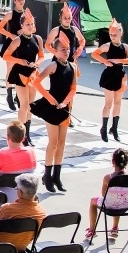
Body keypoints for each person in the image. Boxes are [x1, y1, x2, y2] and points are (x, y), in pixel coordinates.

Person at [31, 32, 77, 193]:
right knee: (54, 142)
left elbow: (73, 88)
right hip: (51, 108)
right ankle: (47, 175)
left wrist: (65, 102)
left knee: (62, 143)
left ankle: (57, 176)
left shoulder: (73, 67)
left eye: (68, 49)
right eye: (63, 49)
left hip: (64, 108)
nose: (66, 51)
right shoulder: (53, 66)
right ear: (55, 51)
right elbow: (36, 82)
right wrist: (50, 98)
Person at [2, 8, 44, 146]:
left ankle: (28, 135)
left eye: (32, 24)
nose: (30, 26)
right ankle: (20, 135)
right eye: (27, 24)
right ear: (22, 26)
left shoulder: (37, 39)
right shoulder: (17, 40)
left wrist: (37, 63)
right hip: (20, 74)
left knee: (30, 106)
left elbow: (42, 56)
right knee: (24, 105)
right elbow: (6, 56)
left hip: (32, 74)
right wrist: (21, 61)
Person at [91, 19, 128, 142]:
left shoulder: (125, 47)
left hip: (120, 76)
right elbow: (94, 54)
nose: (112, 37)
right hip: (109, 76)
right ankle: (104, 128)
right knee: (108, 103)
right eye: (111, 34)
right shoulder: (107, 46)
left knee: (118, 103)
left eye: (115, 34)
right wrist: (105, 61)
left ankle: (114, 128)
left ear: (120, 33)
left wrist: (120, 61)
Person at [85, 149, 128, 240]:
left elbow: (103, 194)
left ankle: (92, 229)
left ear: (113, 162)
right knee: (118, 199)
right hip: (125, 205)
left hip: (110, 205)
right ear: (126, 162)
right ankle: (115, 228)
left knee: (93, 201)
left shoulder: (108, 177)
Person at [0, 120, 37, 201]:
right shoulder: (31, 152)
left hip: (4, 200)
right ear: (24, 138)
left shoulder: (2, 154)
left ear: (7, 137)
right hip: (27, 198)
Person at [0, 0, 26, 111]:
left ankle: (18, 96)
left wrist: (24, 30)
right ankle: (9, 94)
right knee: (10, 69)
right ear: (14, 1)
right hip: (11, 44)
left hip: (23, 44)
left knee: (22, 70)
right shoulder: (10, 14)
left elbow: (34, 28)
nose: (21, 1)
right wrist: (12, 35)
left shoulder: (27, 13)